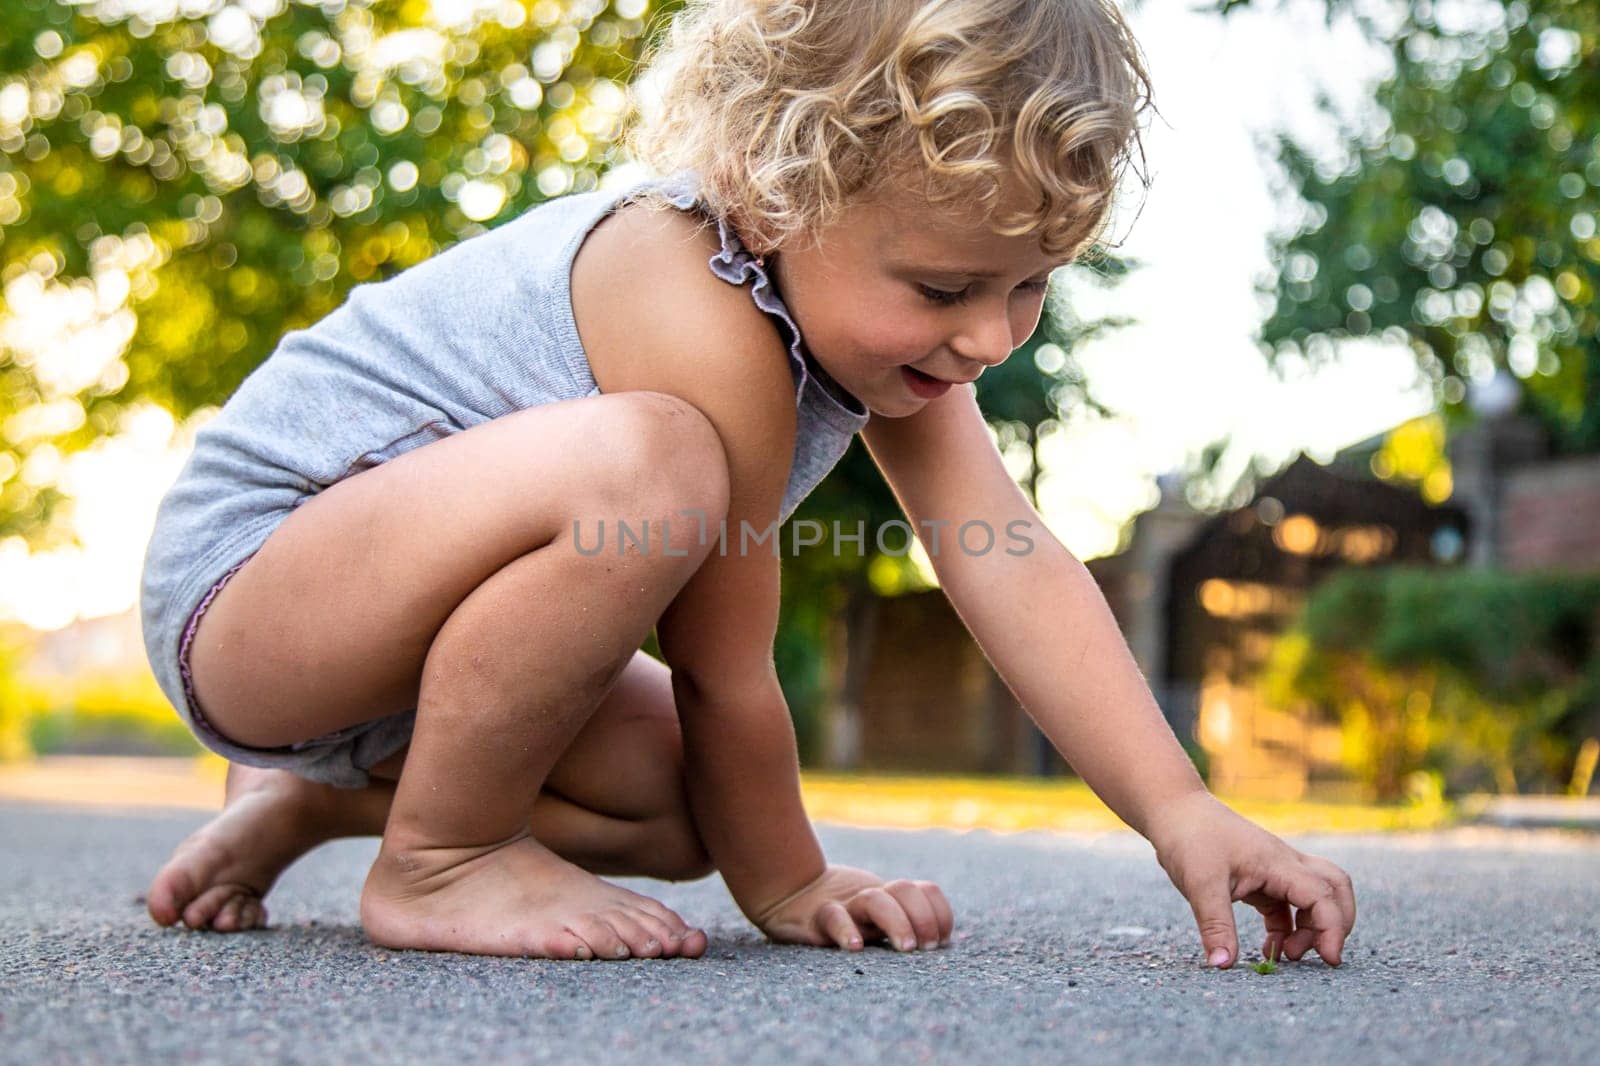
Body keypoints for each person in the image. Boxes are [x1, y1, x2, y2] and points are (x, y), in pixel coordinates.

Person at [140, 0, 1356, 968]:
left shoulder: (888, 344)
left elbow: (1005, 553)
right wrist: (788, 882)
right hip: (254, 594)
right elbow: (728, 671)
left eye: (1028, 286)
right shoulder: (690, 302)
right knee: (654, 466)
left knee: (682, 814)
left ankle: (312, 807)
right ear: (780, 193)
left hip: (385, 666)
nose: (991, 336)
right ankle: (443, 854)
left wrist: (1178, 808)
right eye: (944, 290)